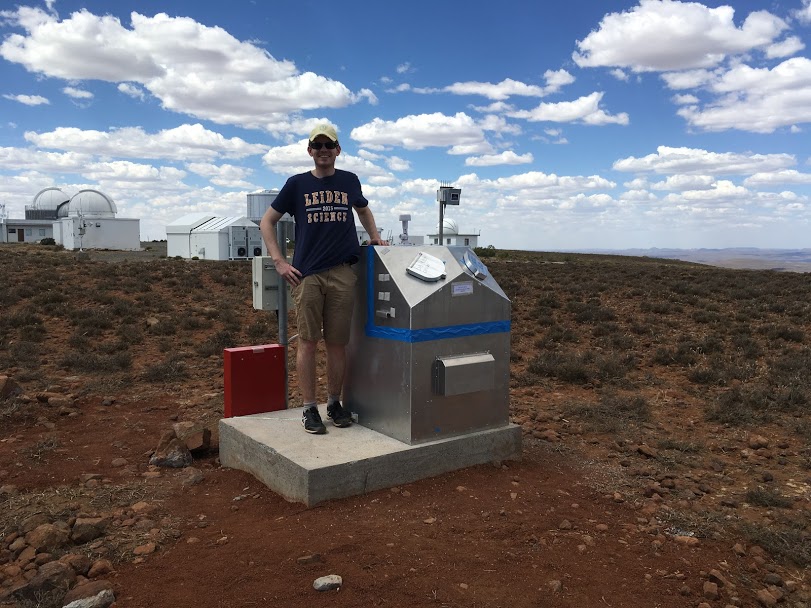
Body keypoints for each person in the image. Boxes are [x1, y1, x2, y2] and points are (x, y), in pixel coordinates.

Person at [260, 123, 388, 434]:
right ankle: (309, 409)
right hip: (308, 275)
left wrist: (375, 237)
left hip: (343, 272)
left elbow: (364, 210)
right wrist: (279, 261)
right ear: (310, 151)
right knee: (307, 342)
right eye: (317, 146)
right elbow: (267, 221)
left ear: (337, 150)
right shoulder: (297, 184)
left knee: (337, 343)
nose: (323, 151)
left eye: (328, 146)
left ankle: (333, 403)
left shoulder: (349, 181)